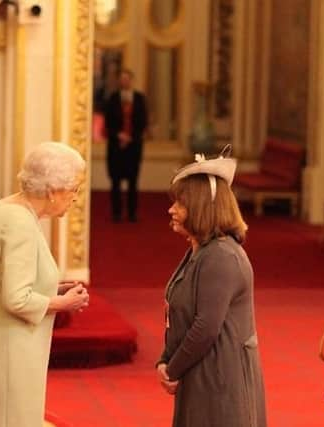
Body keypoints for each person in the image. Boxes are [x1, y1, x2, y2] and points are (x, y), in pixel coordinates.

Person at [0, 142, 90, 427]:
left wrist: (53, 290)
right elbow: (16, 299)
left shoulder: (6, 209)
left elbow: (7, 281)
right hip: (10, 348)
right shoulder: (19, 223)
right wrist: (64, 304)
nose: (75, 198)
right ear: (53, 190)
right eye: (74, 189)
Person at [156, 153, 267, 427]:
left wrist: (172, 369)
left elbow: (206, 326)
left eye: (180, 204)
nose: (171, 210)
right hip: (203, 371)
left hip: (220, 379)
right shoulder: (201, 250)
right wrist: (165, 359)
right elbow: (180, 314)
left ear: (201, 208)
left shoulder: (221, 256)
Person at [104, 68, 147, 222]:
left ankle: (132, 213)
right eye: (121, 79)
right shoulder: (112, 98)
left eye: (127, 78)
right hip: (115, 147)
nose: (124, 81)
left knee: (133, 182)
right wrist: (118, 135)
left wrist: (130, 137)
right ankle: (116, 213)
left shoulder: (140, 99)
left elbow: (143, 122)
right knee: (115, 182)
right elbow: (107, 123)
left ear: (131, 80)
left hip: (134, 147)